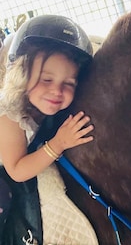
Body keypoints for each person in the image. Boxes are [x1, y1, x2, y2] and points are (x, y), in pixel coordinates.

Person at [0, 15, 98, 244]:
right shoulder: (9, 116)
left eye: (69, 84)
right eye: (46, 80)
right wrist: (58, 144)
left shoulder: (42, 105)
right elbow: (17, 170)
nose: (57, 91)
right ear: (21, 75)